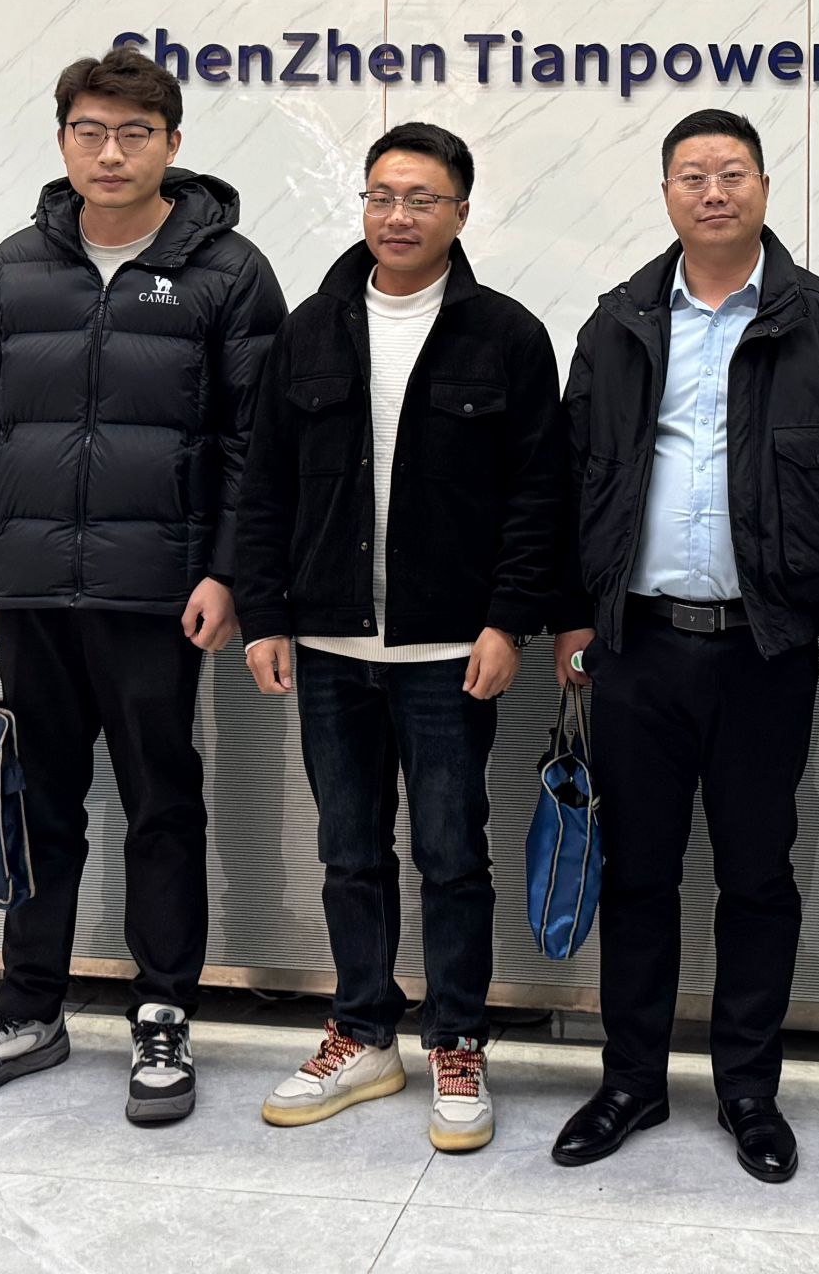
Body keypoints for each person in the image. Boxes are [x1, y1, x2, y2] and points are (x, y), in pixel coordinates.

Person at [0, 46, 286, 1122]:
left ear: (172, 144)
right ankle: (28, 1007)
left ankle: (163, 1010)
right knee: (38, 803)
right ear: (64, 140)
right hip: (30, 586)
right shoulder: (15, 268)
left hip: (157, 591)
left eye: (134, 133)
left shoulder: (228, 272)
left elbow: (253, 444)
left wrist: (228, 572)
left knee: (162, 803)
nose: (111, 152)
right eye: (91, 131)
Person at [547, 107, 819, 1185]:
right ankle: (631, 1082)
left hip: (765, 648)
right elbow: (573, 475)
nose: (714, 191)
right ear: (666, 194)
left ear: (763, 188)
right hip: (638, 645)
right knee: (637, 877)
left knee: (756, 877)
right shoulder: (617, 324)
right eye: (693, 175)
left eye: (733, 172)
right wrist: (574, 614)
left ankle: (749, 1089)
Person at [229, 122, 570, 1155]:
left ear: (461, 212)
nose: (398, 215)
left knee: (451, 855)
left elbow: (537, 498)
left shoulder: (506, 336)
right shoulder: (310, 331)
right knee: (347, 851)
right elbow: (264, 487)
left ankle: (456, 1041)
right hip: (331, 648)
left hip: (448, 654)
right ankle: (363, 1034)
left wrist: (509, 620)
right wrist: (265, 614)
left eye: (422, 198)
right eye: (382, 195)